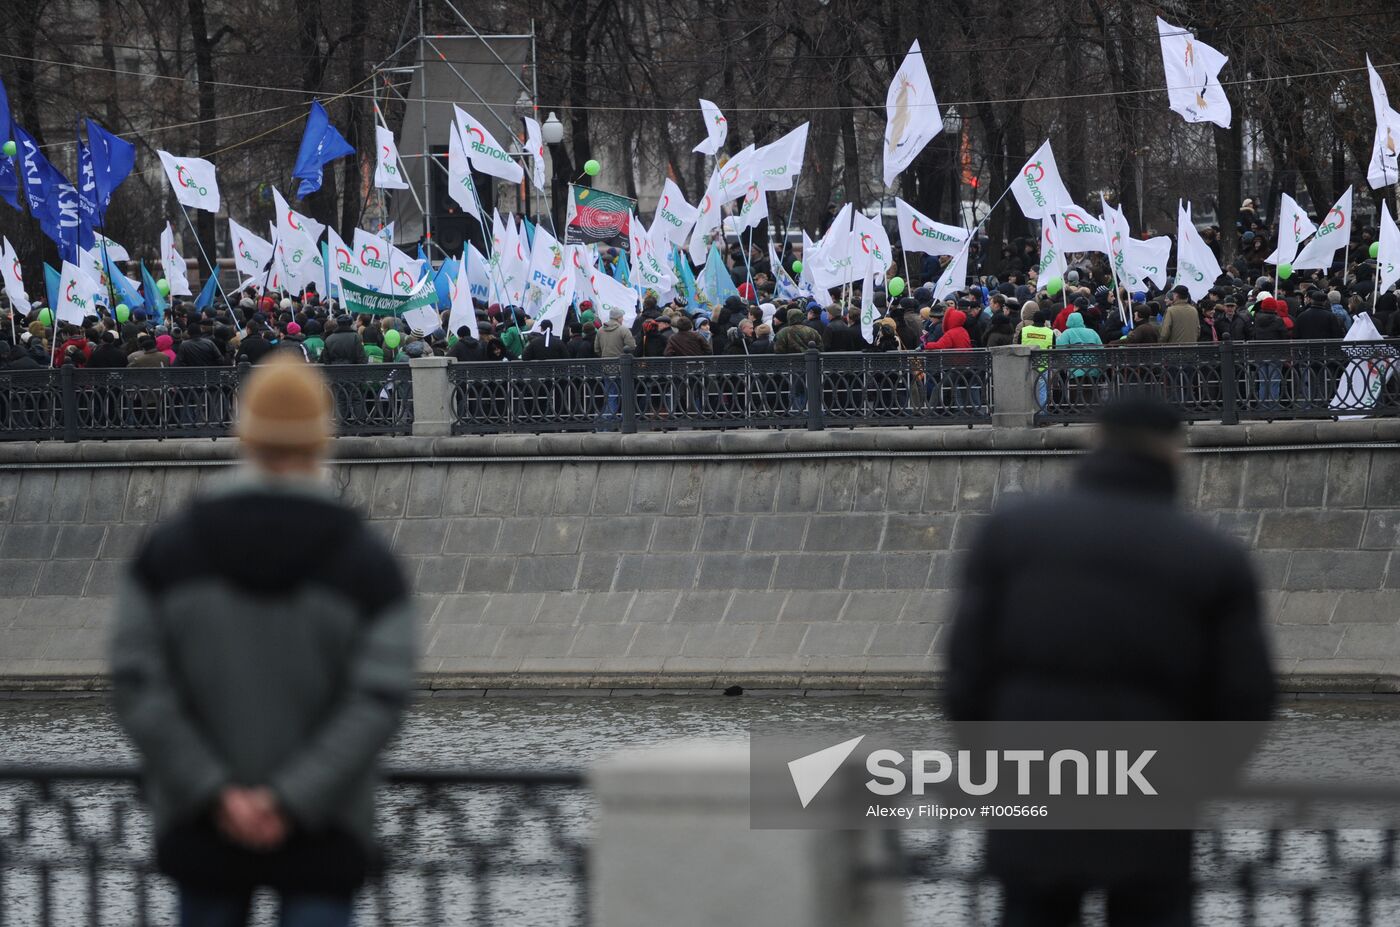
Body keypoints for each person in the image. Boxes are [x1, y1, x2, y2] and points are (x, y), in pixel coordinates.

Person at [111, 355, 416, 927]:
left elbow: (136, 683)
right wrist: (291, 798)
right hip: (324, 829)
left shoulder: (169, 552)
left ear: (242, 434)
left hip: (204, 827)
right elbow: (379, 698)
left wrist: (217, 792)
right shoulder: (367, 562)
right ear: (324, 438)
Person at [946, 397, 1274, 927]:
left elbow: (966, 674)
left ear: (1095, 440)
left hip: (1033, 783)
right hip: (1155, 792)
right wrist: (1197, 779)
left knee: (1033, 911)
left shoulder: (1011, 532)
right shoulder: (1213, 554)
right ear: (1175, 452)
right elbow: (1246, 697)